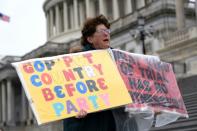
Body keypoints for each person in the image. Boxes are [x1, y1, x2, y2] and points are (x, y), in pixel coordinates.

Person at [64, 14, 153, 131]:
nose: (106, 34)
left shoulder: (119, 60)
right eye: (101, 31)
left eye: (107, 30)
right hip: (92, 123)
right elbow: (69, 97)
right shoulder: (76, 64)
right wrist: (75, 113)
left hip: (118, 122)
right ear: (90, 39)